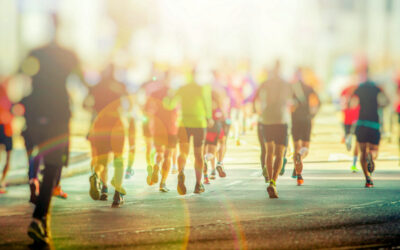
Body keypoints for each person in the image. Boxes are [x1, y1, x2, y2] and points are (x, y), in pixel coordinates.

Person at [23, 14, 80, 246]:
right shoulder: (69, 55)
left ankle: (35, 194)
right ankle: (39, 218)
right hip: (58, 115)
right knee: (54, 166)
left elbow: (23, 72)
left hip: (36, 114)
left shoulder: (36, 52)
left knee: (37, 155)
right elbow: (82, 81)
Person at [85, 64, 131, 207]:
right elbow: (129, 105)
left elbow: (84, 104)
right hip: (116, 124)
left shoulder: (96, 86)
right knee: (118, 159)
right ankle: (117, 194)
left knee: (102, 161)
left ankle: (97, 179)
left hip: (100, 124)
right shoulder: (120, 85)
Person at [165, 68, 212, 194]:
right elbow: (207, 106)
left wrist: (168, 97)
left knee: (183, 152)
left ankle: (181, 172)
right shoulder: (202, 88)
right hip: (199, 123)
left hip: (184, 123)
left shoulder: (181, 88)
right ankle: (198, 184)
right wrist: (209, 118)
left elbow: (169, 105)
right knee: (198, 154)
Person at [253, 61, 292, 198]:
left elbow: (255, 99)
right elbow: (296, 100)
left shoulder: (265, 83)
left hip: (266, 120)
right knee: (280, 154)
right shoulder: (286, 83)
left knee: (269, 151)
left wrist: (258, 112)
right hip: (281, 120)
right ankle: (273, 182)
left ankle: (270, 180)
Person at [350, 68, 389, 188]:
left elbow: (352, 103)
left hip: (362, 123)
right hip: (374, 123)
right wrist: (379, 105)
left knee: (362, 151)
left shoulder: (358, 88)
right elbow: (386, 102)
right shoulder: (377, 88)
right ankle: (371, 156)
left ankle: (368, 178)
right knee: (374, 150)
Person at [146, 71, 177, 192]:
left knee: (159, 152)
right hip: (171, 127)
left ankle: (156, 166)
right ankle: (163, 183)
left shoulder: (154, 92)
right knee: (168, 156)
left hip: (158, 127)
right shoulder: (174, 93)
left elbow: (147, 108)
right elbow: (179, 109)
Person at [290, 69, 320, 186]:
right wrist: (312, 114)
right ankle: (301, 156)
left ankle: (298, 175)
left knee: (295, 146)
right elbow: (319, 102)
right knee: (305, 147)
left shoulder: (291, 89)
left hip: (295, 120)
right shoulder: (309, 88)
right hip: (306, 120)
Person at [203, 81, 227, 183]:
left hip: (204, 128)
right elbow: (222, 115)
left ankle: (206, 176)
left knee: (204, 151)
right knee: (221, 144)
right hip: (215, 127)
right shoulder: (217, 102)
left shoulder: (204, 102)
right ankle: (219, 163)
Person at [340, 82, 360, 173]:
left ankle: (347, 139)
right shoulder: (358, 96)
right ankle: (354, 164)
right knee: (357, 142)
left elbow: (342, 107)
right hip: (356, 120)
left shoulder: (346, 95)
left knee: (348, 134)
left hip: (347, 120)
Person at [0, 77, 13, 194]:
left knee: (5, 158)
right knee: (8, 158)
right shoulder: (7, 99)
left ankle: (1, 183)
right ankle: (1, 182)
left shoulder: (7, 98)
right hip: (6, 130)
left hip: (5, 129)